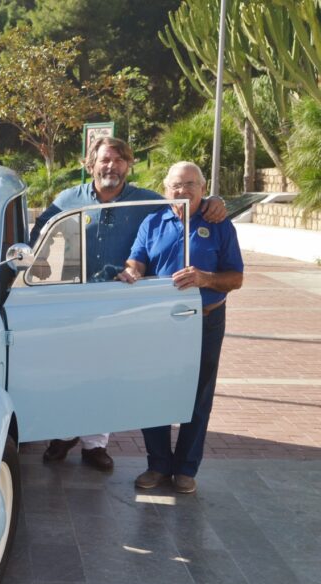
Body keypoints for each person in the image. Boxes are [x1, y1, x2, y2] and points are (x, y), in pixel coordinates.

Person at [32, 137, 227, 472]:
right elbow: (39, 233)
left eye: (120, 160)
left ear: (129, 165)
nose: (112, 166)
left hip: (121, 303)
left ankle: (95, 444)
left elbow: (184, 203)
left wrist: (213, 201)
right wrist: (35, 270)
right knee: (71, 371)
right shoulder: (68, 199)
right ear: (90, 164)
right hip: (75, 301)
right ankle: (63, 434)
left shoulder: (146, 202)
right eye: (106, 159)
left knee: (108, 373)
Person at [120, 161, 243, 494]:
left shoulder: (219, 224)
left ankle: (186, 469)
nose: (183, 190)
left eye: (190, 184)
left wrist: (205, 278)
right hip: (160, 322)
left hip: (205, 320)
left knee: (198, 396)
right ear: (166, 188)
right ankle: (158, 465)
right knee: (154, 390)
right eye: (176, 184)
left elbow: (236, 278)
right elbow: (137, 258)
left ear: (203, 188)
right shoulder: (153, 221)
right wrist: (132, 271)